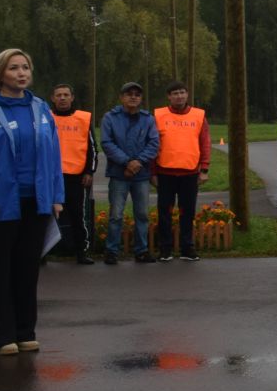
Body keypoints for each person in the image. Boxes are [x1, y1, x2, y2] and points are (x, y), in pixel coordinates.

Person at [0, 49, 64, 354]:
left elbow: (54, 155)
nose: (21, 73)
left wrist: (56, 196)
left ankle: (24, 330)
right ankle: (0, 334)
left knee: (27, 269)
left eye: (25, 67)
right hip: (0, 204)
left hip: (36, 202)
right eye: (14, 68)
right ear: (0, 74)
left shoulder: (41, 108)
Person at [99, 82, 158, 264]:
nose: (133, 97)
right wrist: (127, 162)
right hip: (119, 173)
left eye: (137, 94)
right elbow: (107, 143)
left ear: (141, 99)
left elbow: (154, 143)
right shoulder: (110, 117)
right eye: (129, 94)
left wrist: (138, 162)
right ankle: (112, 251)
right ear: (121, 97)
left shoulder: (148, 119)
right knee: (116, 214)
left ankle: (141, 251)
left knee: (142, 214)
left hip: (141, 174)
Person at [152, 82, 210, 262]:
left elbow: (205, 143)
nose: (179, 96)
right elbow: (152, 144)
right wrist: (153, 172)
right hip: (165, 172)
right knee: (165, 212)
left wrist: (205, 169)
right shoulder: (158, 114)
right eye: (175, 93)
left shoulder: (199, 115)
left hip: (190, 172)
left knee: (188, 212)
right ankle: (165, 248)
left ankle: (187, 247)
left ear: (187, 94)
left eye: (182, 92)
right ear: (169, 97)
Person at [50, 83, 98, 265]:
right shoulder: (46, 117)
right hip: (51, 176)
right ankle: (43, 252)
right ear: (53, 98)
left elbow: (93, 149)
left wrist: (89, 171)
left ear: (72, 97)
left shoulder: (83, 119)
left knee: (78, 215)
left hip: (76, 177)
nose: (62, 98)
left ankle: (81, 252)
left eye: (65, 95)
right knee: (46, 216)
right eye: (58, 95)